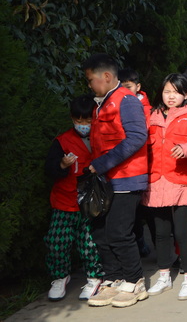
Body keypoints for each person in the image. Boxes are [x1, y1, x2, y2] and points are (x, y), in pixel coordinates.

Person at [81, 54, 149, 309]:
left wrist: (101, 164)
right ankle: (113, 278)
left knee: (120, 232)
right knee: (100, 232)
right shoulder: (102, 103)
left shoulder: (126, 101)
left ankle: (134, 281)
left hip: (127, 178)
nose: (89, 85)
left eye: (91, 80)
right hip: (106, 180)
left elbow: (136, 138)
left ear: (106, 77)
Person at [142, 73, 187, 301]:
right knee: (161, 233)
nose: (171, 96)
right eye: (167, 91)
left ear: (186, 94)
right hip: (157, 183)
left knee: (181, 232)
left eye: (176, 92)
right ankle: (164, 275)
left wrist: (186, 149)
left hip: (182, 182)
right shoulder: (152, 117)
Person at [43, 95, 103, 301]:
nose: (83, 125)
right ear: (72, 118)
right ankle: (60, 277)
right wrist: (61, 165)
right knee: (55, 241)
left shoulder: (102, 137)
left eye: (88, 121)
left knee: (90, 244)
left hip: (91, 203)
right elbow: (49, 169)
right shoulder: (62, 141)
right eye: (78, 121)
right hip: (64, 201)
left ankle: (95, 277)